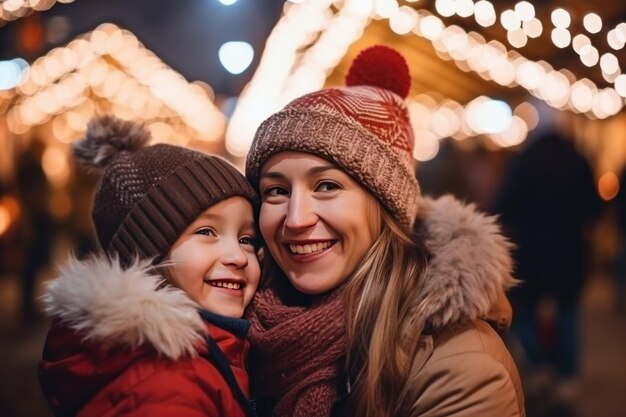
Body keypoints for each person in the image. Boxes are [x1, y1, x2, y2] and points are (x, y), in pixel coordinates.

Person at [244, 45, 525, 417]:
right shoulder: (240, 322)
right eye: (276, 191)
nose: (296, 219)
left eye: (326, 186)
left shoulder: (460, 367)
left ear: (385, 206)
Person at [38, 115, 260, 417]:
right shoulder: (169, 388)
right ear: (147, 255)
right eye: (206, 232)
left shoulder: (212, 348)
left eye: (247, 238)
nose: (238, 256)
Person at [492, 129, 603, 406]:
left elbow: (503, 205)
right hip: (570, 253)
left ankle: (538, 363)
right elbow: (595, 210)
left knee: (524, 314)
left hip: (532, 254)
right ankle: (567, 379)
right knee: (568, 313)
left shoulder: (526, 161)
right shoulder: (578, 160)